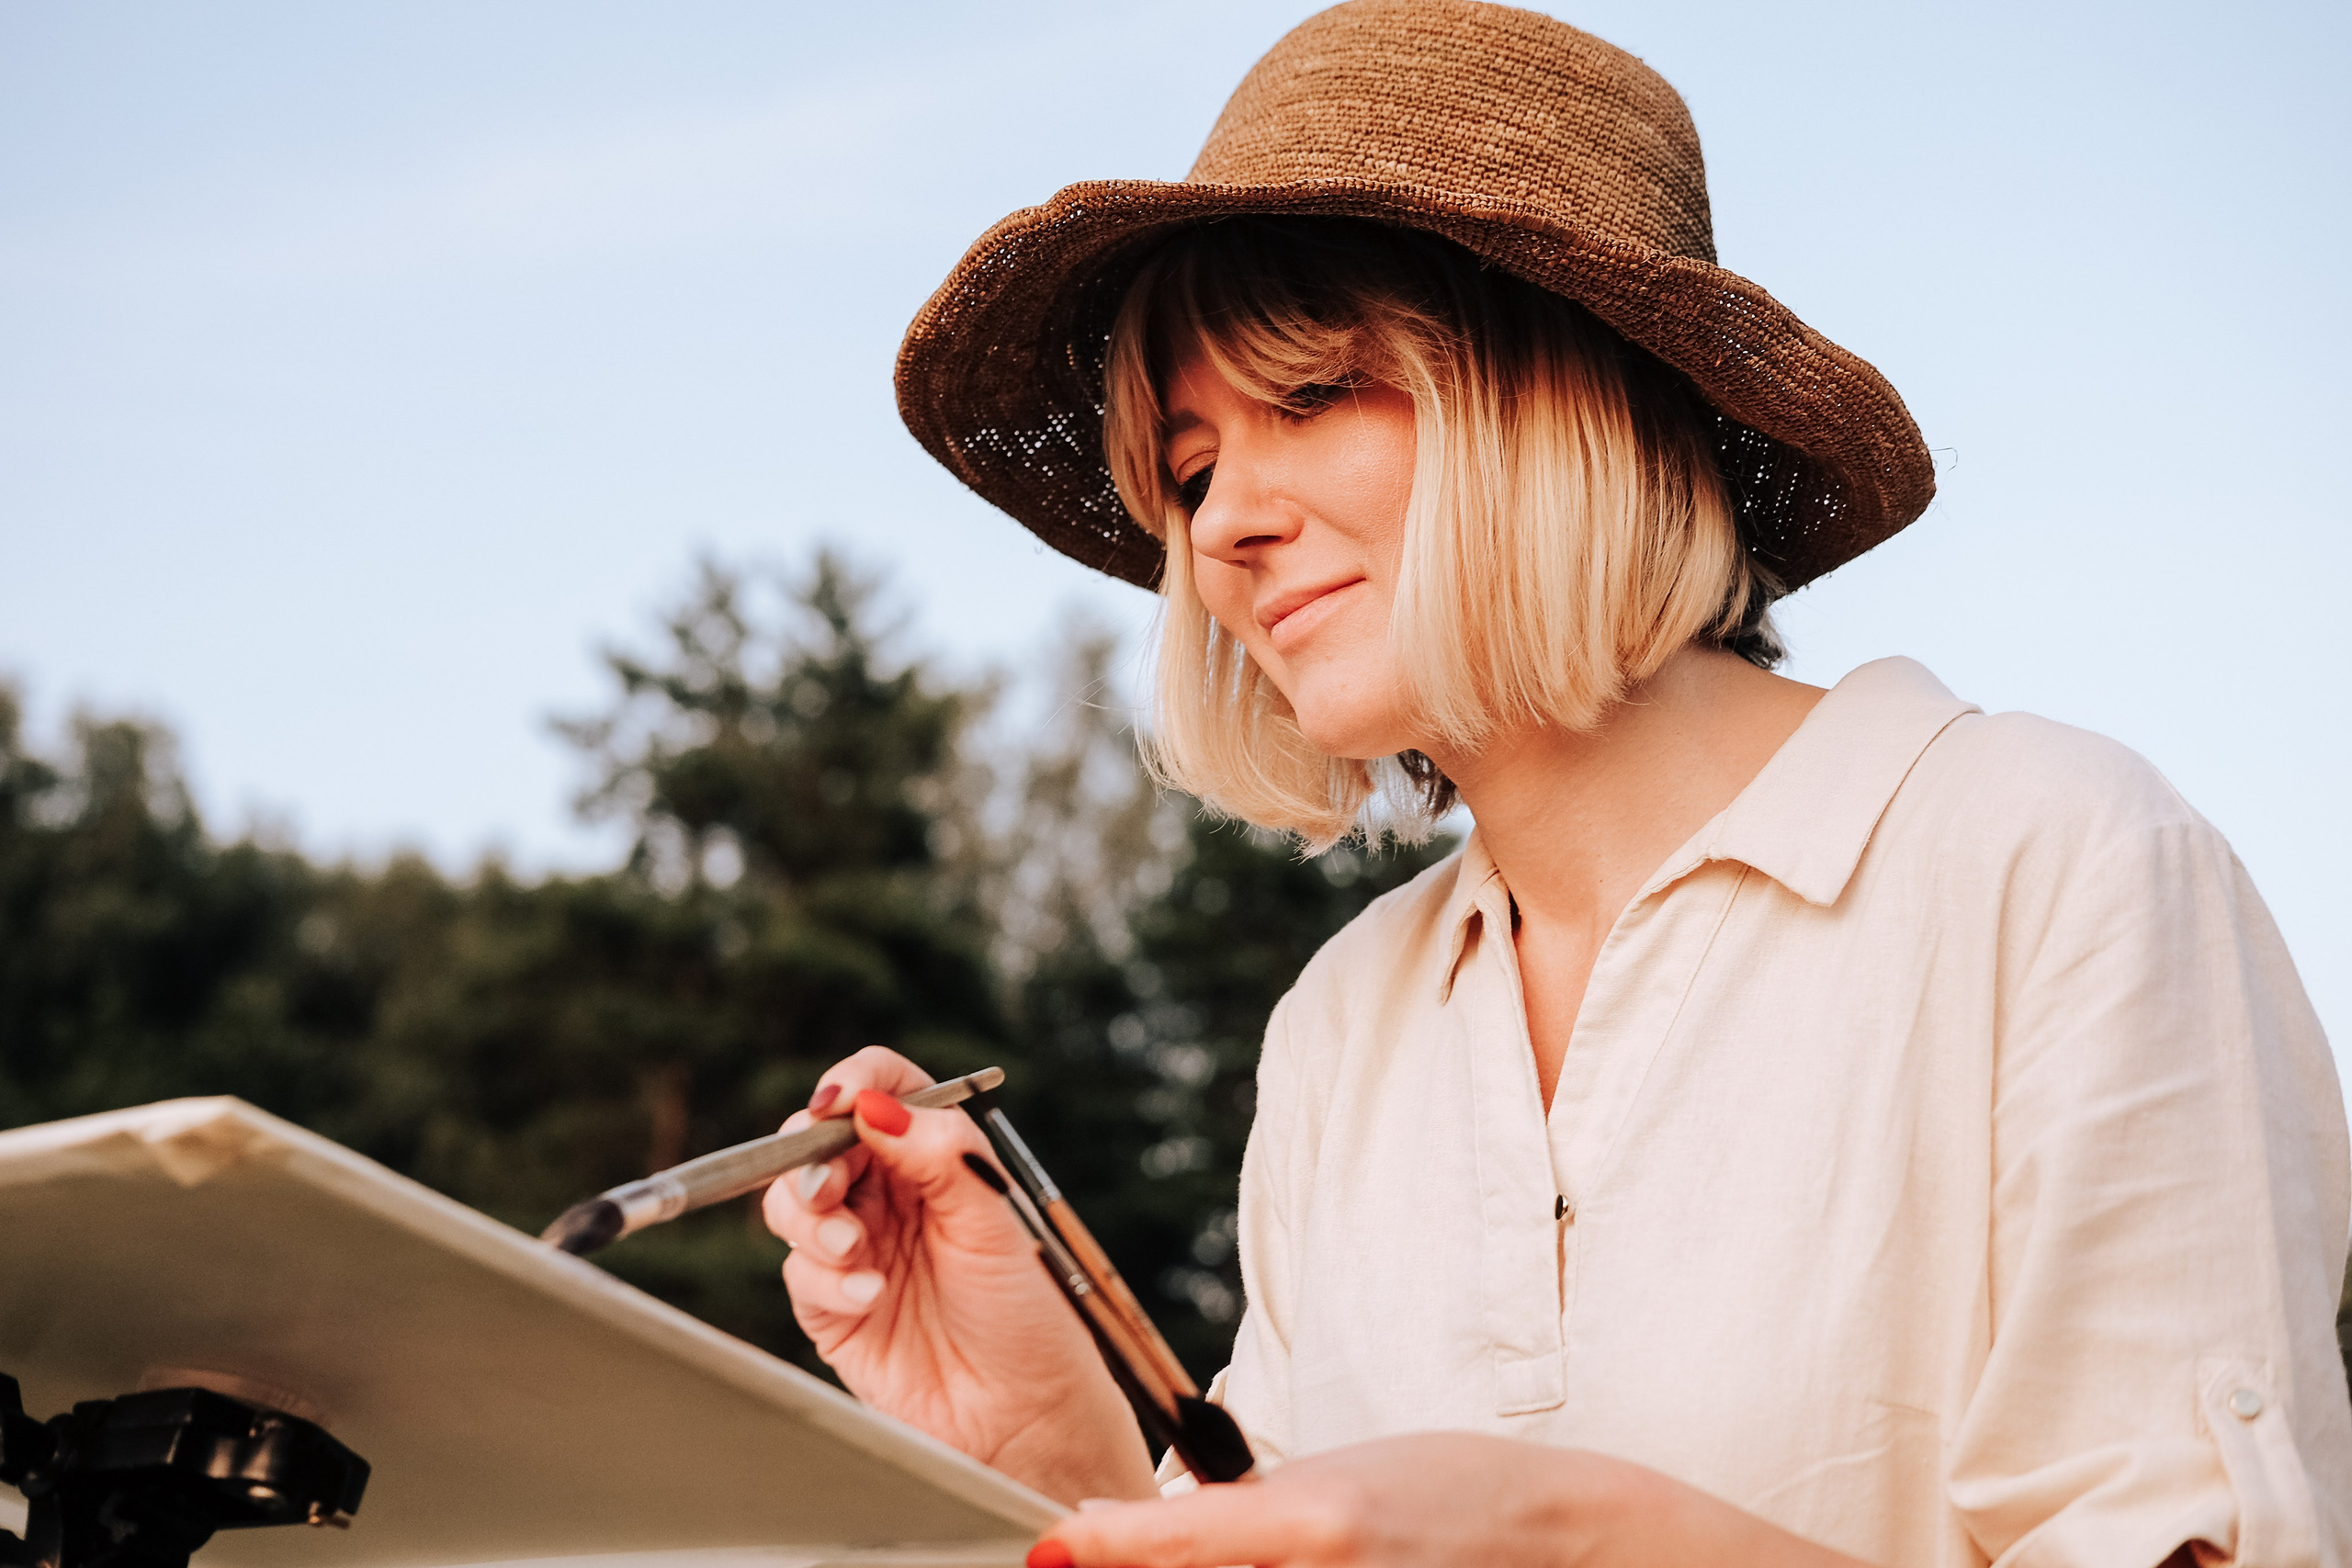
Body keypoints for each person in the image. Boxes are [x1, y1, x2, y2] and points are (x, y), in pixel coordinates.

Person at [763, 3, 2352, 1563]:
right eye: (1187, 471)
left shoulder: (2049, 859)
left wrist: (1577, 1533)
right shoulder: (1345, 1023)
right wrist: (1050, 1451)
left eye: (1308, 397)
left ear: (1567, 389)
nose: (1222, 523)